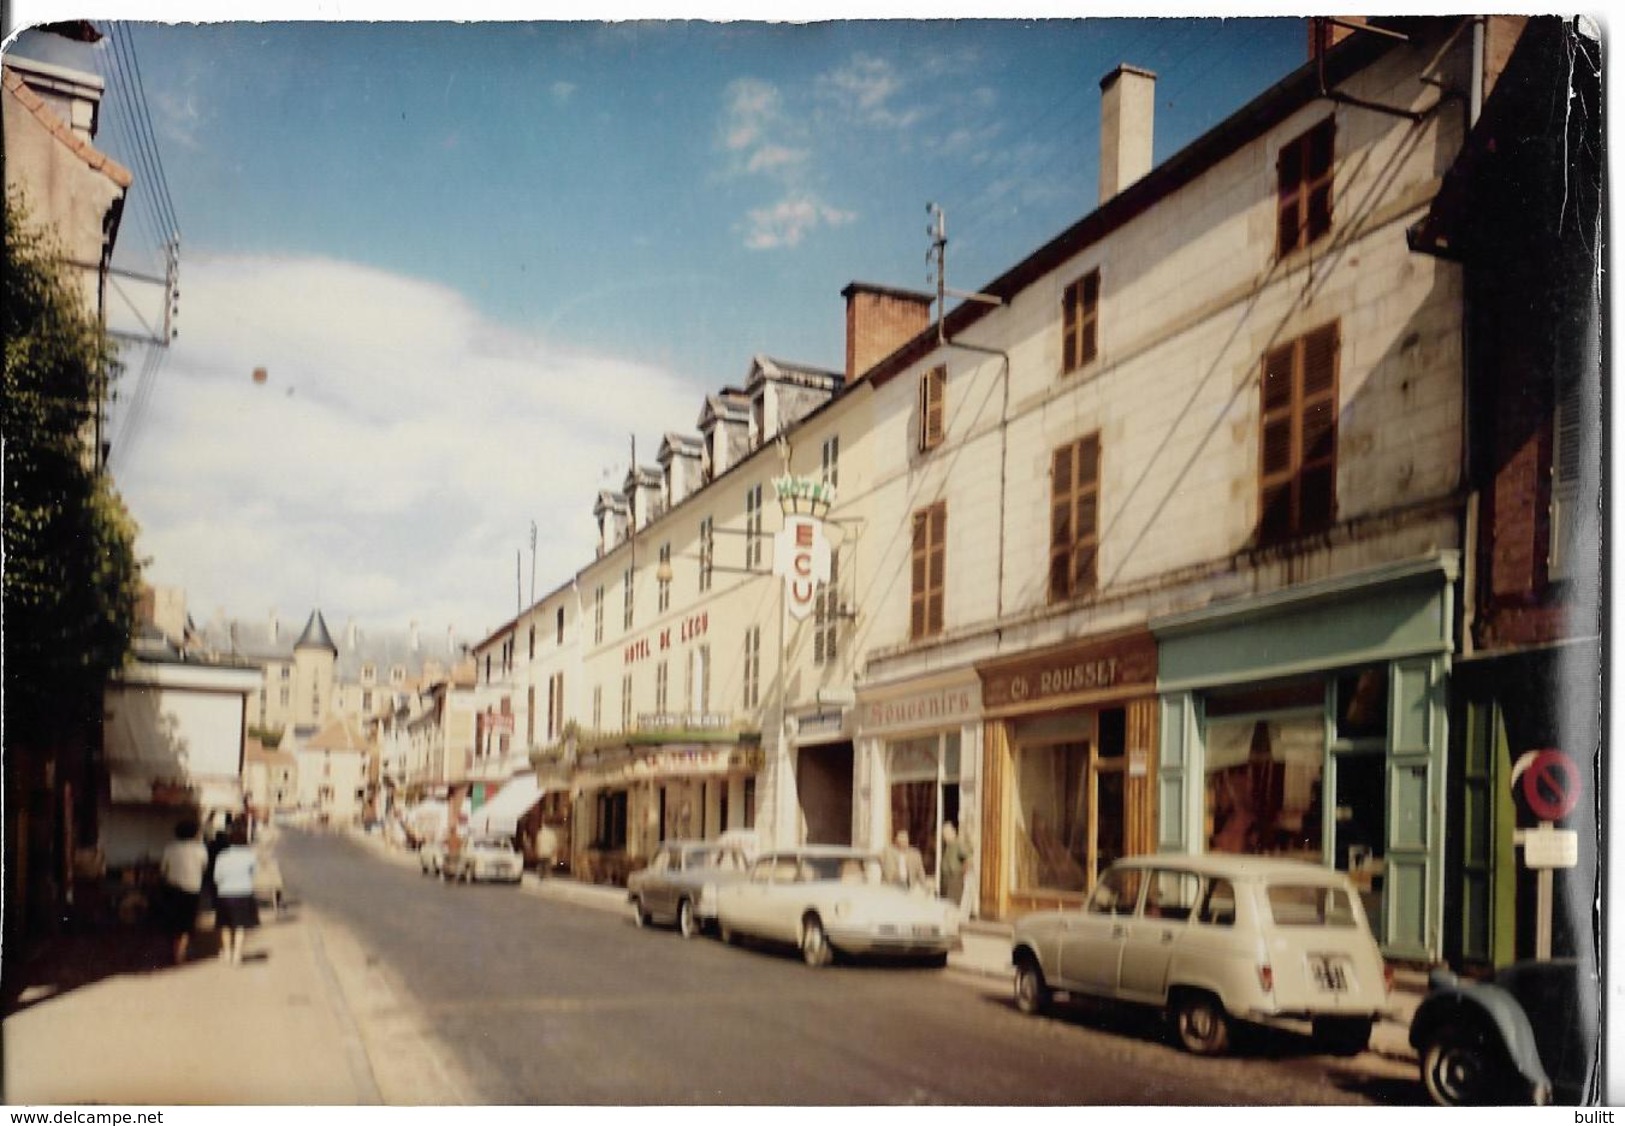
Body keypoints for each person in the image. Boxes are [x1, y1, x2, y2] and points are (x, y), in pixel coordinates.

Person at [158, 820, 208, 964]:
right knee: (187, 923)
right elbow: (204, 867)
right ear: (194, 833)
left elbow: (163, 870)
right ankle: (180, 953)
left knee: (173, 922)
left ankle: (175, 950)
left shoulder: (170, 848)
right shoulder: (200, 849)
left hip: (172, 889)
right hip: (192, 889)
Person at [211, 823, 260, 965]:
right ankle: (237, 954)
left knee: (225, 925)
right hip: (244, 892)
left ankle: (227, 952)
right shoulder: (250, 856)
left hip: (225, 893)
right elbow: (254, 874)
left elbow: (216, 877)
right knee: (240, 925)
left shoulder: (222, 856)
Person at [939, 821, 972, 908]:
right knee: (946, 903)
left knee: (953, 904)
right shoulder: (947, 846)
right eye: (944, 834)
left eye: (947, 833)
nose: (945, 836)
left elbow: (967, 859)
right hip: (947, 878)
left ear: (953, 832)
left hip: (955, 878)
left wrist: (962, 873)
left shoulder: (958, 844)